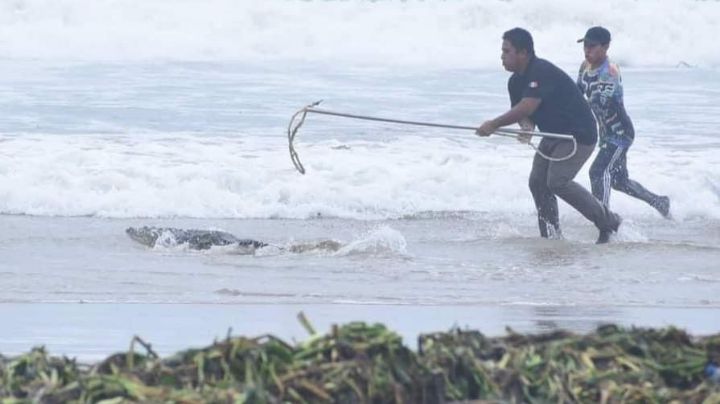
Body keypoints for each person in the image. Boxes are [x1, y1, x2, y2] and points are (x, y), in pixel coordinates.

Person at [477, 27, 621, 243]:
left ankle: (608, 221)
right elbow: (524, 114)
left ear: (523, 53)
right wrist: (526, 128)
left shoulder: (540, 71)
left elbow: (527, 105)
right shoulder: (515, 81)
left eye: (507, 51)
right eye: (502, 51)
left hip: (578, 134)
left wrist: (493, 125)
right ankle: (551, 236)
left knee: (557, 181)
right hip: (554, 135)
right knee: (537, 182)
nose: (502, 56)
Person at [577, 26, 671, 218]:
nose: (587, 50)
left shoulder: (610, 71)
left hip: (620, 134)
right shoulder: (584, 67)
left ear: (606, 47)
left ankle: (603, 220)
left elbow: (600, 102)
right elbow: (577, 94)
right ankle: (659, 202)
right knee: (618, 181)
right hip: (606, 134)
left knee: (598, 171)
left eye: (592, 46)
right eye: (585, 45)